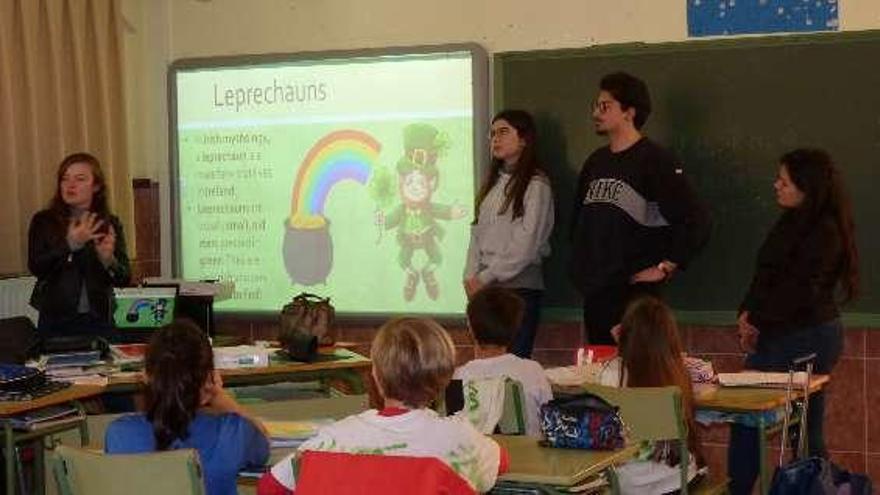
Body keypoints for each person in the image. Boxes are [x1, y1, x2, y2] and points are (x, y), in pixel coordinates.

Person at [728, 148, 859, 495]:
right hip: (780, 331)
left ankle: (816, 487)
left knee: (786, 428)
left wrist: (756, 319)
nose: (776, 186)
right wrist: (746, 314)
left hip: (807, 337)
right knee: (768, 424)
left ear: (807, 188)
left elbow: (799, 293)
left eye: (784, 181)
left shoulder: (825, 232)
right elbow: (766, 274)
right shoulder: (789, 221)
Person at [258, 317, 508, 494]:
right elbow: (501, 461)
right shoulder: (460, 439)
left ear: (375, 376)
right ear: (444, 380)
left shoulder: (329, 440)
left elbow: (270, 487)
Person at [570, 72, 710, 345]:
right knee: (600, 377)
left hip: (635, 297)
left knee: (634, 377)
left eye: (605, 106)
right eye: (595, 106)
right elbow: (579, 222)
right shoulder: (595, 162)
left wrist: (667, 265)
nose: (596, 113)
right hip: (597, 294)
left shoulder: (656, 160)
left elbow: (697, 219)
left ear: (629, 112)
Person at [105, 320, 269, 495]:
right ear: (209, 380)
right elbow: (264, 443)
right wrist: (220, 397)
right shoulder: (234, 432)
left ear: (146, 376)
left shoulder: (119, 434)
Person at [464, 110, 554, 357]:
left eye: (503, 132)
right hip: (486, 289)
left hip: (519, 289)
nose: (495, 139)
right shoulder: (492, 186)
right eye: (492, 134)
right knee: (486, 368)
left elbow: (525, 244)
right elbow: (477, 234)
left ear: (524, 139)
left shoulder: (536, 185)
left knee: (512, 368)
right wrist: (470, 276)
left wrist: (486, 277)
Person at [604, 296, 703, 495]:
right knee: (699, 464)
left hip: (626, 486)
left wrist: (620, 350)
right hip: (676, 483)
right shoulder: (678, 374)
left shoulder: (610, 374)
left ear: (625, 334)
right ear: (670, 337)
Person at [28, 152, 131, 338]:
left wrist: (109, 260)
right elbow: (36, 266)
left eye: (80, 179)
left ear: (96, 186)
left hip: (99, 319)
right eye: (65, 179)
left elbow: (124, 278)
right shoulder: (44, 221)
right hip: (56, 319)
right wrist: (70, 244)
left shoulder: (109, 223)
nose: (70, 185)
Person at [453, 286, 553, 437]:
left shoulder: (459, 377)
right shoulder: (533, 371)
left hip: (478, 459)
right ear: (517, 328)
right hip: (528, 458)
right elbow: (549, 424)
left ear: (471, 328)